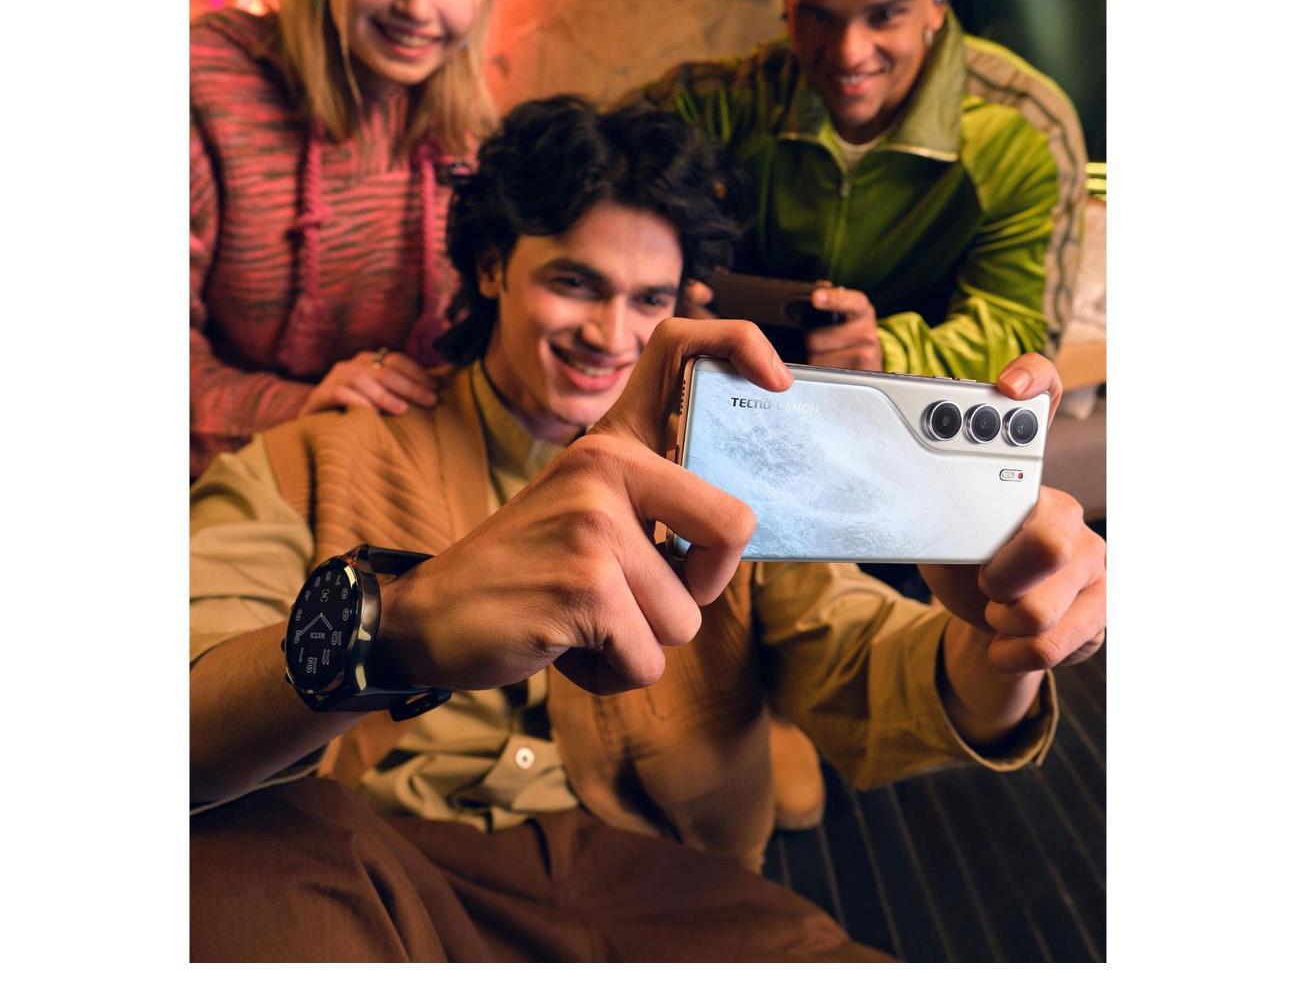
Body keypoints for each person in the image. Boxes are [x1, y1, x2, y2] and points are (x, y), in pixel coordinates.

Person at [190, 97, 1107, 962]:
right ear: (491, 267)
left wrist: (1004, 639)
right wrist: (402, 626)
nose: (610, 332)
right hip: (397, 876)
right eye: (575, 283)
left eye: (649, 299)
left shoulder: (729, 475)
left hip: (674, 897)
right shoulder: (324, 454)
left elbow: (868, 665)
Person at [632, 0, 1088, 379]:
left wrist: (886, 355)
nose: (849, 53)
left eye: (885, 15)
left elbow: (1021, 338)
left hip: (913, 421)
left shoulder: (1026, 128)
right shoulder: (713, 102)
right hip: (735, 394)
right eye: (819, 17)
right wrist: (664, 298)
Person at [190, 0, 504, 477]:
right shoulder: (207, 87)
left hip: (390, 485)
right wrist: (298, 408)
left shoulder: (473, 140)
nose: (419, 6)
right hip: (228, 485)